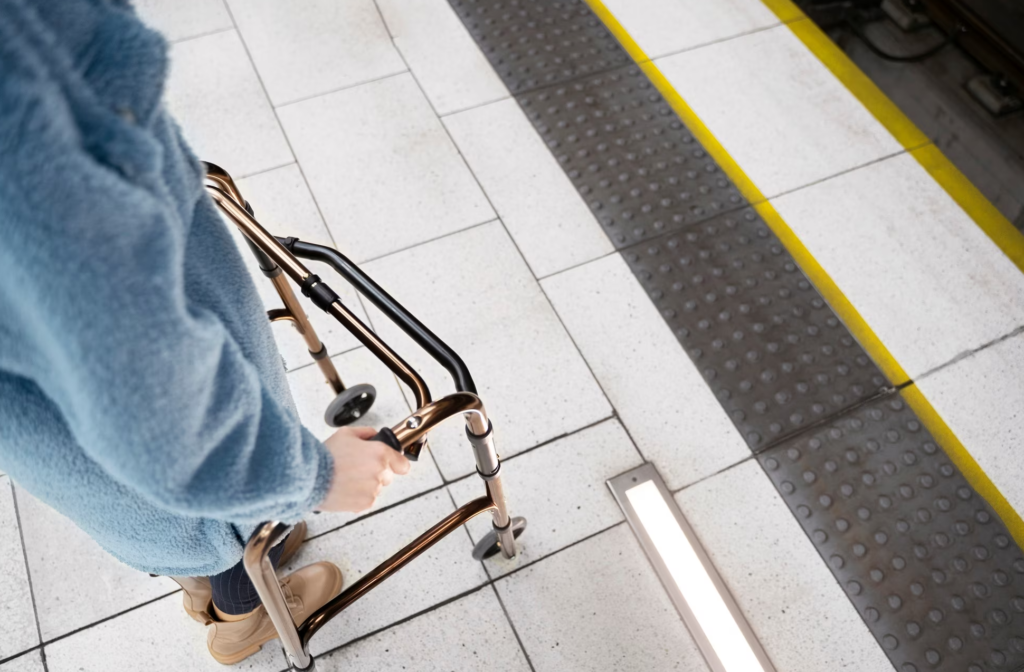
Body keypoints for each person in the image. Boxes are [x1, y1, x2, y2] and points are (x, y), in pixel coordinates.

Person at [0, 0, 410, 663]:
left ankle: (233, 568)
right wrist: (316, 474)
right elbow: (162, 419)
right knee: (217, 526)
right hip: (168, 426)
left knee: (196, 519)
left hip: (78, 408)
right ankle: (243, 613)